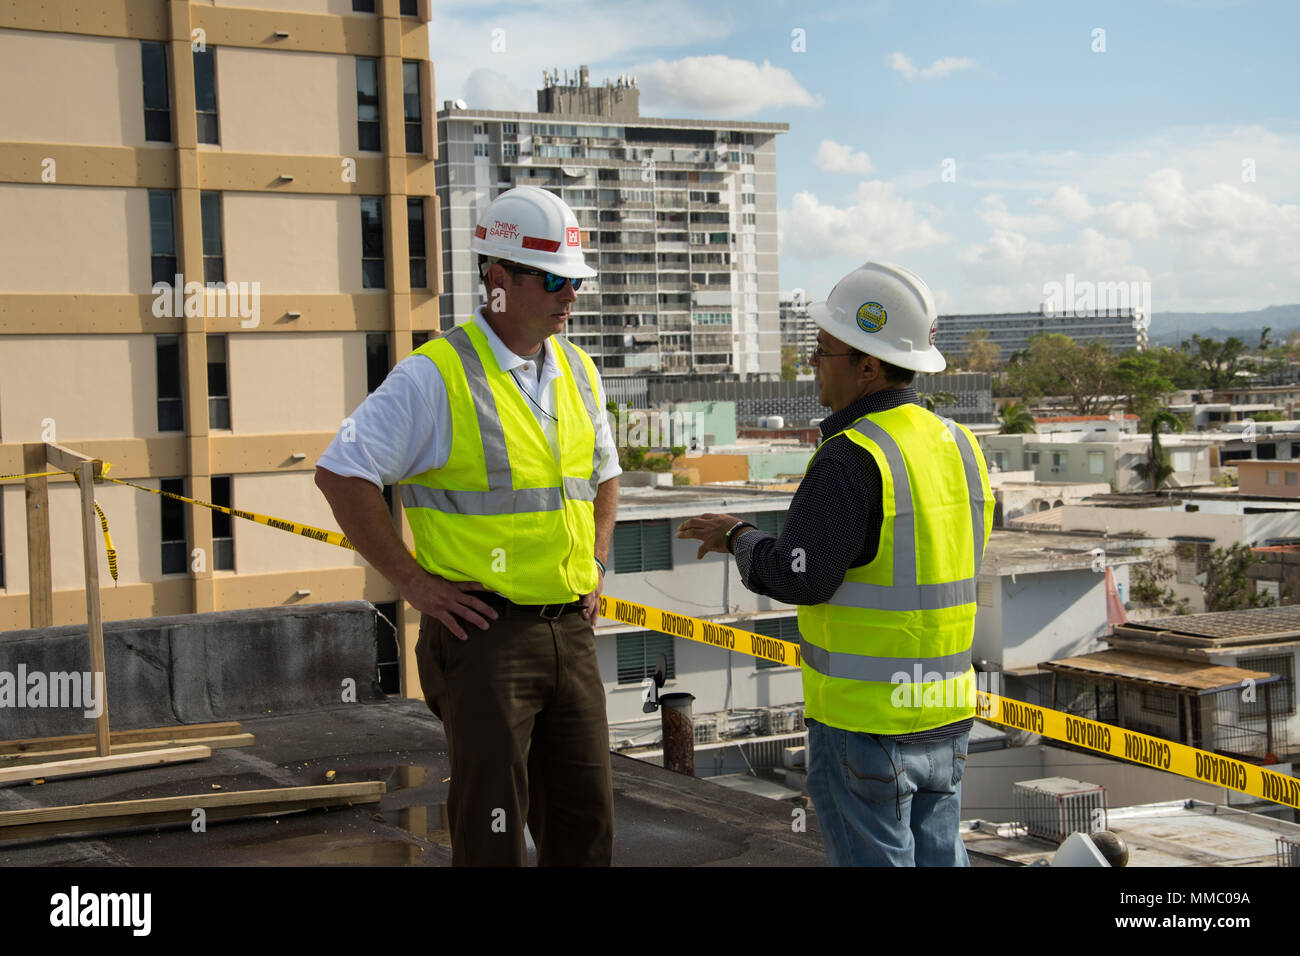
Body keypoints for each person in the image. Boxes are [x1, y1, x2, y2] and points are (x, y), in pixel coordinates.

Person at [315, 186, 620, 866]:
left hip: (571, 626)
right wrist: (414, 584)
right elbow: (342, 473)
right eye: (554, 280)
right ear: (498, 279)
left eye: (575, 281)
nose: (570, 295)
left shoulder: (578, 369)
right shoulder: (435, 377)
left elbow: (603, 477)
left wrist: (598, 563)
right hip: (484, 634)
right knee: (493, 832)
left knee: (586, 823)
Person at [676, 262, 992, 866]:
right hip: (946, 713)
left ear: (867, 365)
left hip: (865, 721)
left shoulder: (854, 455)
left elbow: (803, 574)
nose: (812, 363)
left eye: (823, 350)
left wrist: (738, 537)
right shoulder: (960, 444)